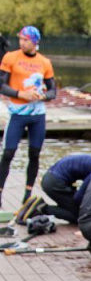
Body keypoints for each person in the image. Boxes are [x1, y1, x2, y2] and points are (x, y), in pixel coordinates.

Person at [0, 26, 56, 207]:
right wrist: (20, 94)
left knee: (34, 153)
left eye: (25, 40)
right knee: (8, 153)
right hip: (17, 113)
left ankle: (27, 194)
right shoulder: (10, 57)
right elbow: (2, 85)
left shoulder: (45, 62)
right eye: (20, 39)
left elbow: (53, 90)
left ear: (35, 42)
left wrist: (44, 96)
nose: (21, 42)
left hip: (37, 115)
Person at [39, 153, 91, 224]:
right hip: (55, 183)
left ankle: (43, 207)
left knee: (71, 206)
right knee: (80, 216)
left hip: (50, 177)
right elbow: (79, 197)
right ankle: (42, 208)